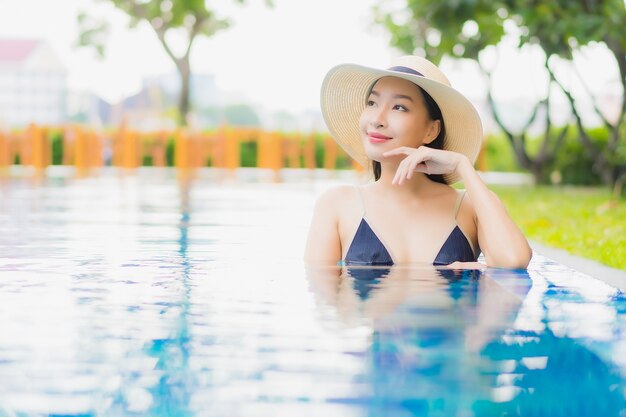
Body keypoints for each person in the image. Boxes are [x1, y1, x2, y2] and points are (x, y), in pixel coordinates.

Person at [304, 55, 532, 269]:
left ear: (431, 130)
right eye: (372, 103)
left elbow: (514, 260)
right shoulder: (337, 204)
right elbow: (323, 300)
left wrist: (463, 166)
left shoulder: (470, 205)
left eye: (399, 107)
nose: (377, 119)